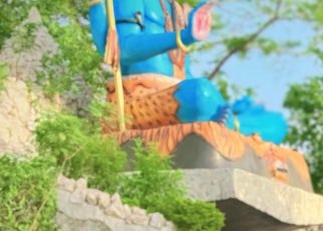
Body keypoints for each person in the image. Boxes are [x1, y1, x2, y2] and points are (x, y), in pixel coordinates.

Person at [87, 0, 287, 143]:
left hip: (176, 94)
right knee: (200, 94)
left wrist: (221, 102)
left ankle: (230, 120)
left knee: (277, 123)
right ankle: (234, 125)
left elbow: (183, 73)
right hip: (139, 98)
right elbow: (123, 49)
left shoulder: (176, 9)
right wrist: (182, 37)